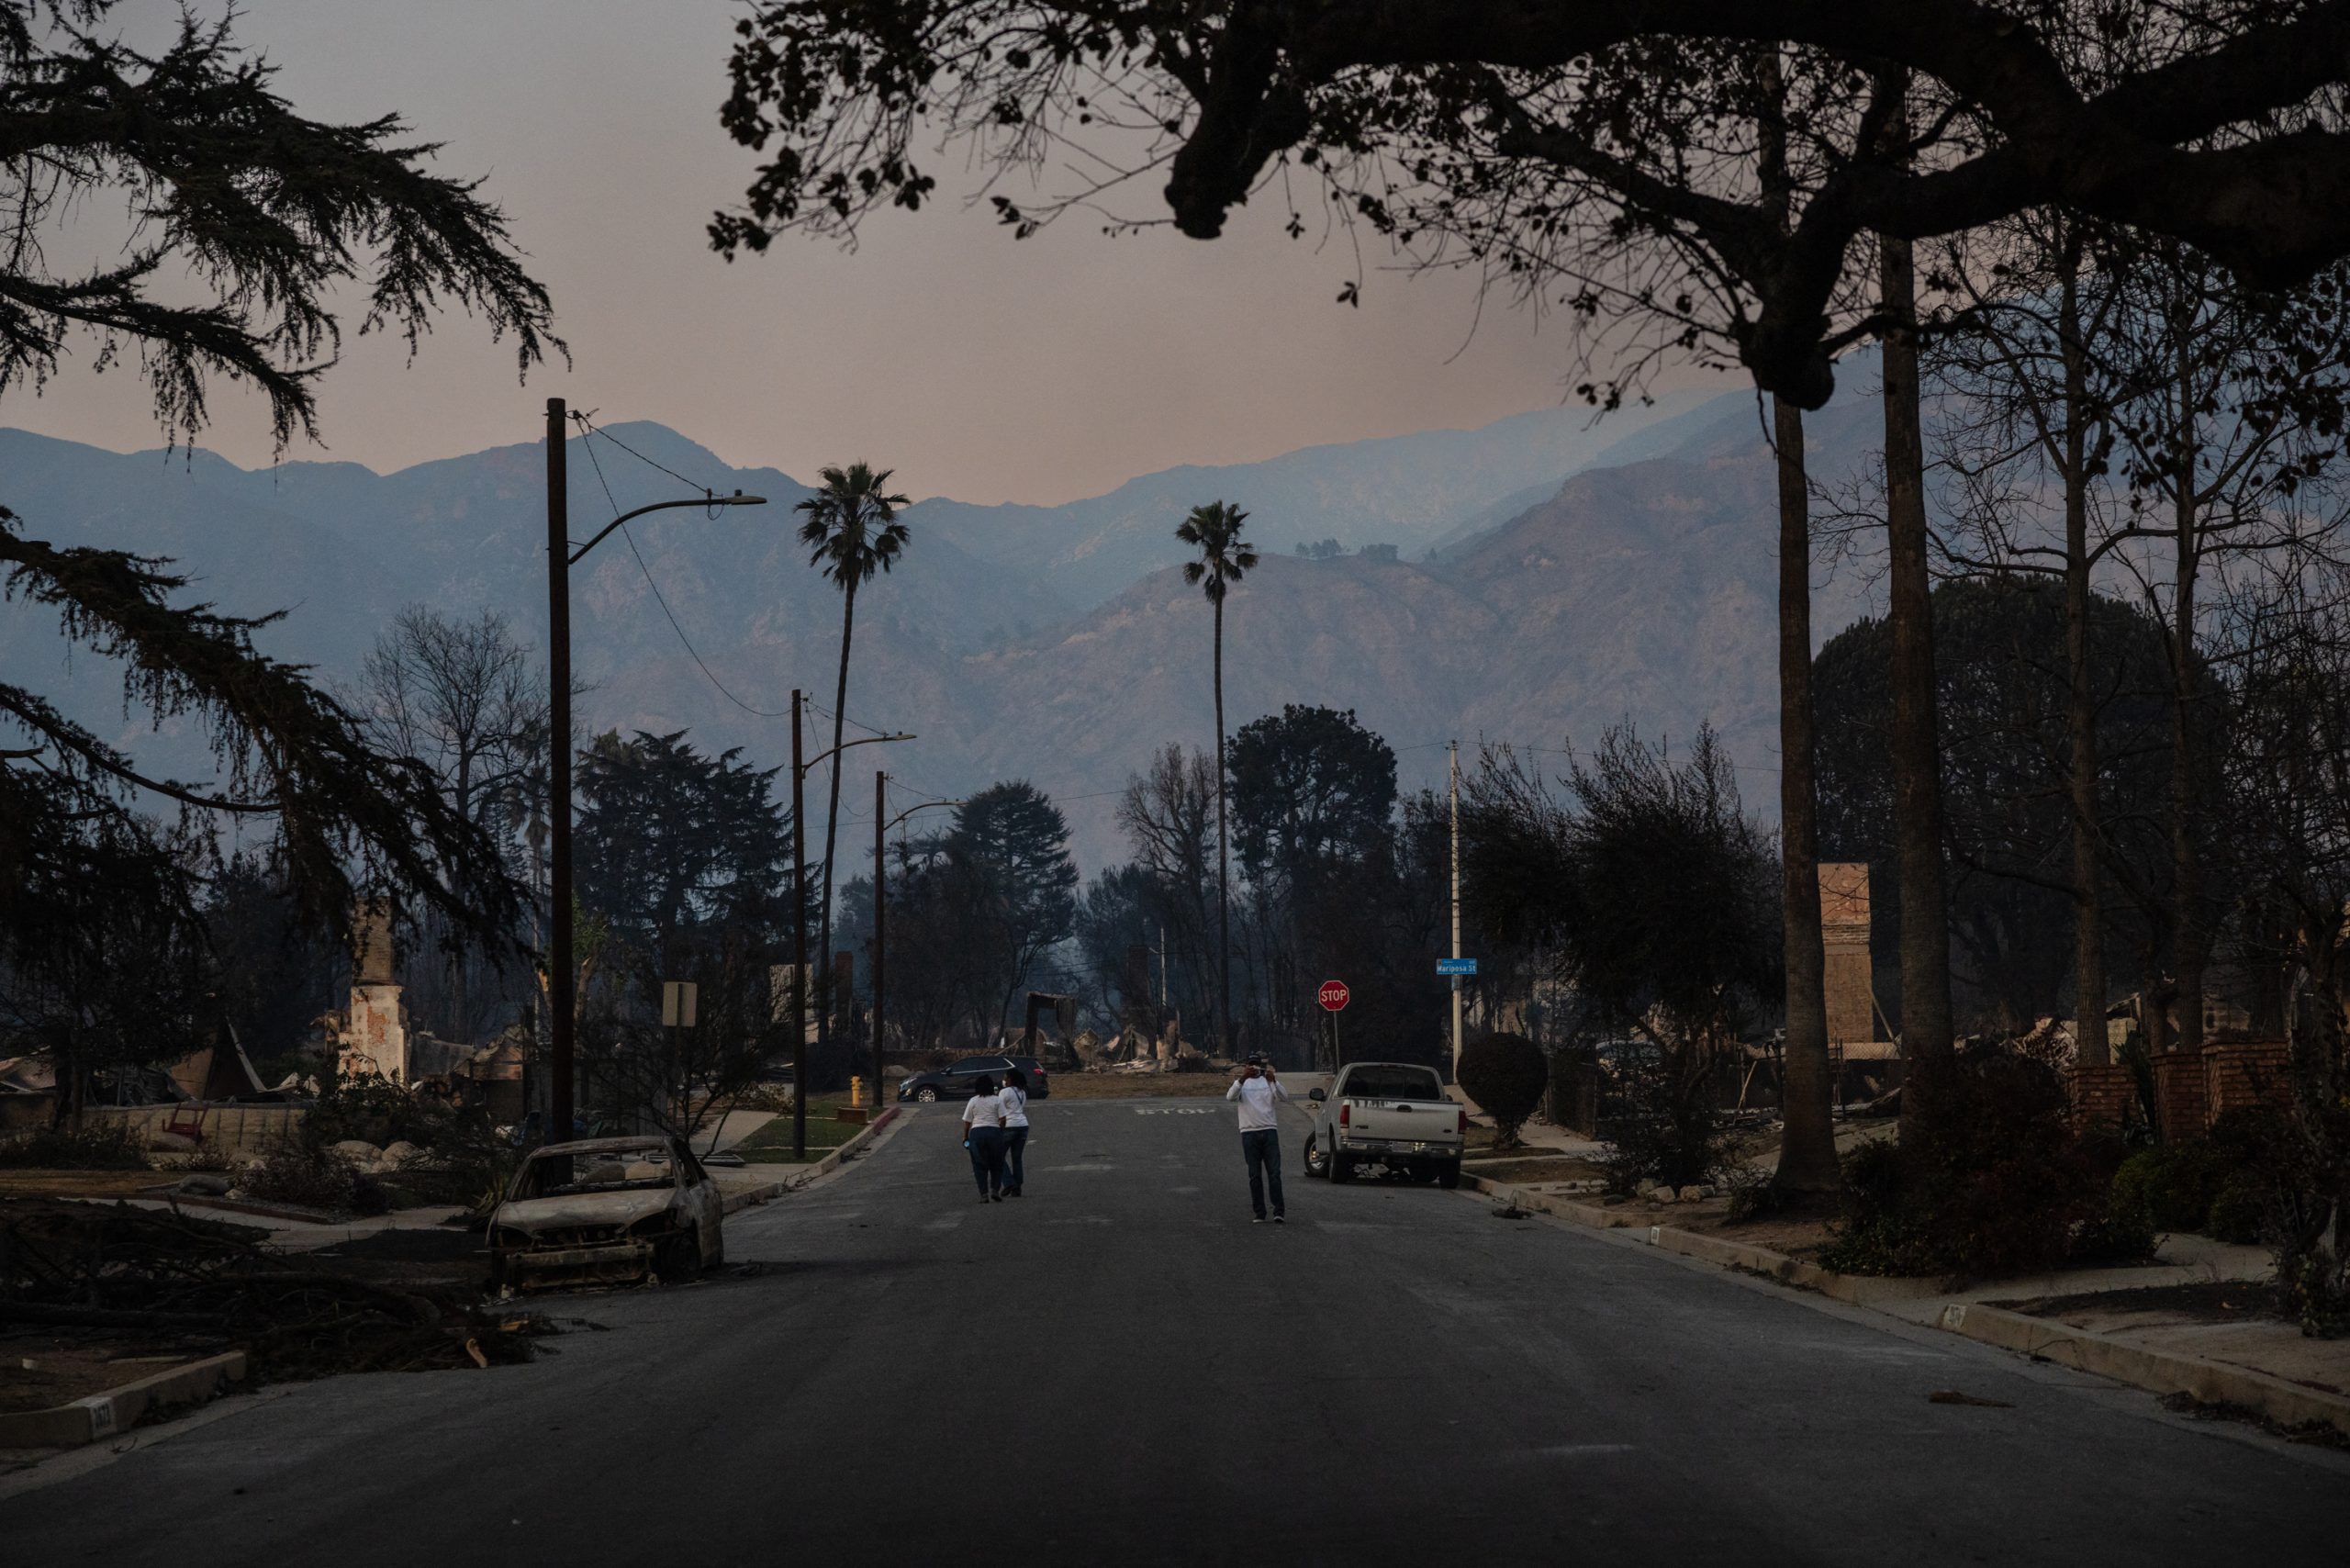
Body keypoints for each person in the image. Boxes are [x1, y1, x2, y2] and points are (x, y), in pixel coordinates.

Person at [1225, 1054, 1289, 1224]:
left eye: (1256, 1065)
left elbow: (1284, 1097)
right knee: (1254, 1175)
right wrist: (1242, 1078)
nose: (1254, 1068)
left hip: (1269, 1131)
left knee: (1274, 1173)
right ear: (1246, 1066)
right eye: (1251, 1065)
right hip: (1249, 1132)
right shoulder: (1241, 1083)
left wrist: (1274, 1081)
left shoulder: (1268, 1082)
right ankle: (1259, 1212)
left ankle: (1279, 1211)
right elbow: (1230, 1097)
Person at [960, 1074, 1009, 1202]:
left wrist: (965, 1136)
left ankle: (983, 1194)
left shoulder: (973, 1101)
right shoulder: (997, 1100)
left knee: (979, 1165)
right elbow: (1003, 1118)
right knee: (997, 1163)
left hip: (977, 1133)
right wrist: (1001, 1131)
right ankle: (995, 1190)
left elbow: (967, 1121)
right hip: (994, 1131)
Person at [998, 1070, 1031, 1197]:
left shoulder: (1005, 1092)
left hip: (1009, 1125)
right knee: (1017, 1158)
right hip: (1023, 1125)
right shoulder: (1022, 1092)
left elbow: (999, 1109)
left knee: (998, 1156)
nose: (1004, 1080)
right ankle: (1017, 1186)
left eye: (1005, 1078)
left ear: (1011, 1079)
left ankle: (1008, 1182)